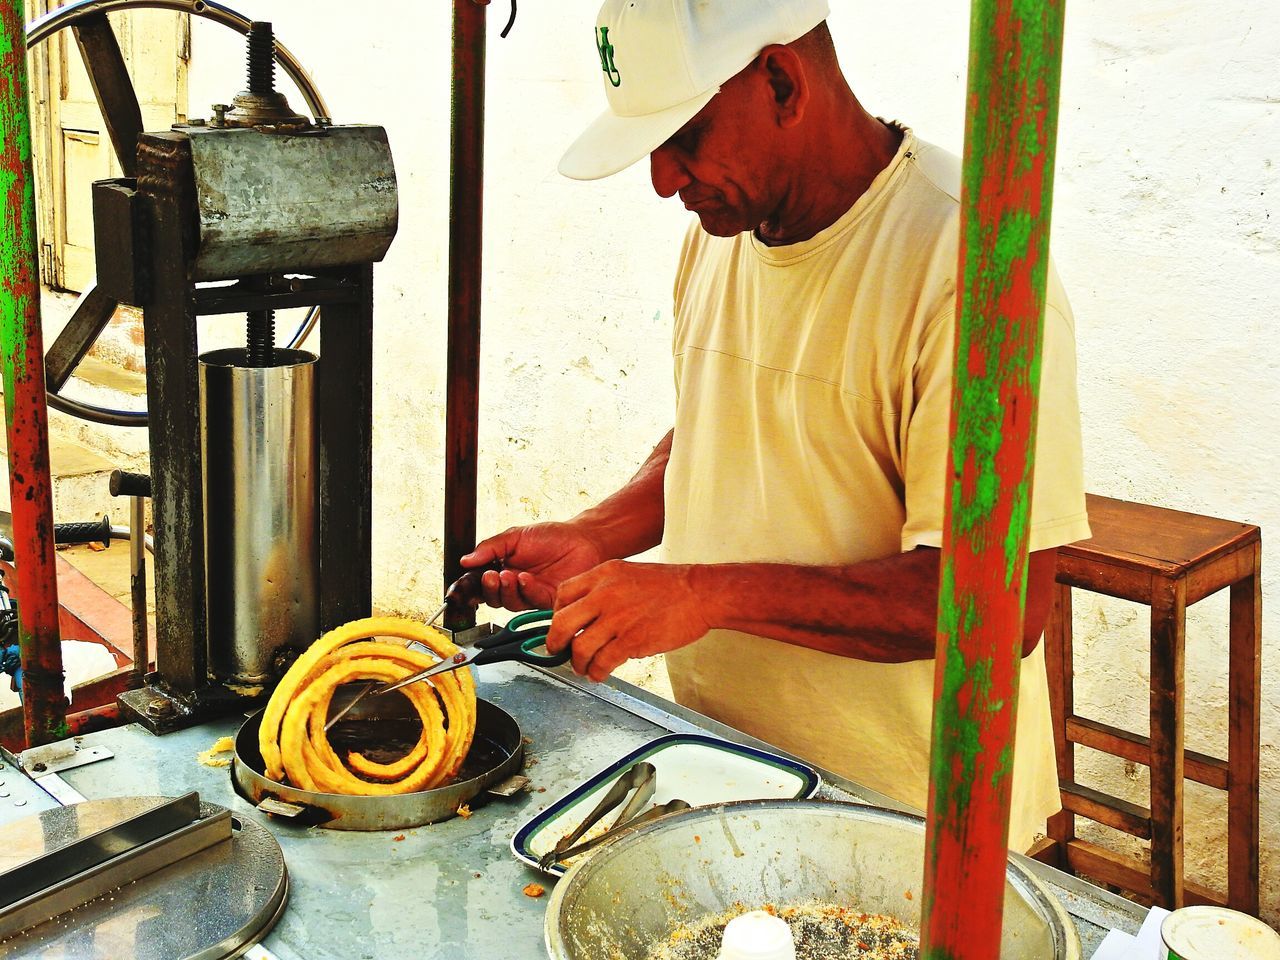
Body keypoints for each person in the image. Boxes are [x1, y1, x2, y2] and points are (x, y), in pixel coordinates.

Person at [461, 0, 1089, 850]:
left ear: (783, 81)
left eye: (684, 136)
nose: (662, 179)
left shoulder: (971, 264)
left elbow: (997, 605)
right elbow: (722, 428)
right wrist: (600, 532)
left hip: (910, 822)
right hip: (729, 771)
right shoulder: (726, 226)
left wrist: (703, 593)